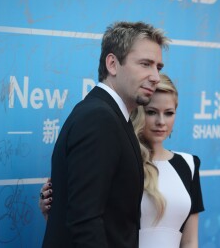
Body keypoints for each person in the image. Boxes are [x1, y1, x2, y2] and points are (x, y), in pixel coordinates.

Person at [41, 21, 169, 248]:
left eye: (158, 67)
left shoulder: (113, 117)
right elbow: (85, 221)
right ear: (112, 64)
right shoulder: (99, 119)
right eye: (145, 64)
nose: (155, 77)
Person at [40, 73, 205, 248]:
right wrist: (54, 211)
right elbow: (85, 217)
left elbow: (189, 241)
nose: (161, 122)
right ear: (138, 113)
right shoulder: (121, 161)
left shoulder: (189, 165)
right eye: (151, 112)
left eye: (169, 113)